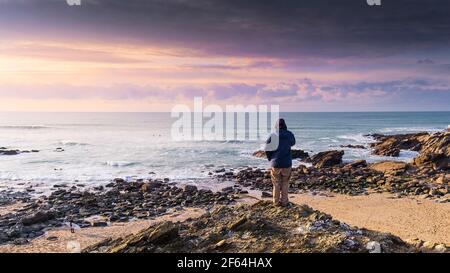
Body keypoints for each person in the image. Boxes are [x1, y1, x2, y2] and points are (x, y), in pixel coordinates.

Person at [265, 118, 296, 207]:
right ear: (285, 125)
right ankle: (284, 202)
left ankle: (276, 202)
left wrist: (270, 159)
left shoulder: (273, 135)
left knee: (276, 183)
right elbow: (293, 143)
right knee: (285, 182)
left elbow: (267, 149)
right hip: (286, 162)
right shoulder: (289, 134)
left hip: (276, 163)